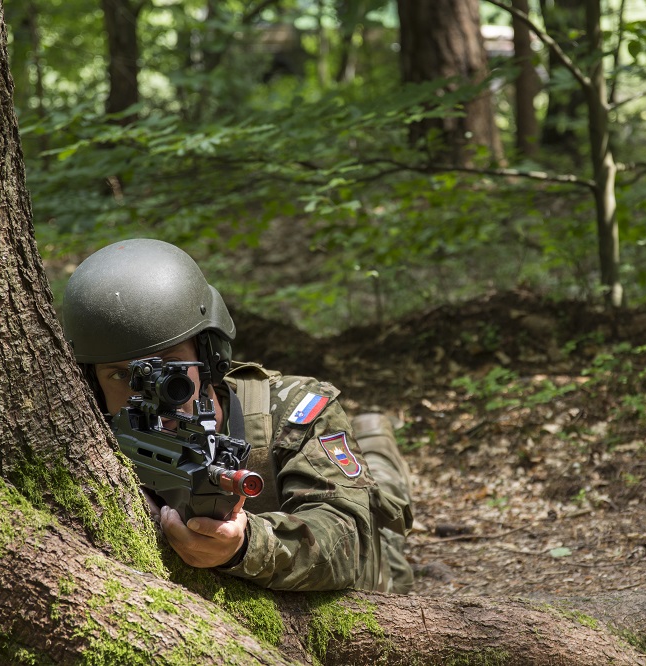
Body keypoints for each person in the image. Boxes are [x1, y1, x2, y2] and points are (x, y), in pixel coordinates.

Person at [60, 238, 414, 593]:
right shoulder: (89, 437)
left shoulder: (292, 411)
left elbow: (350, 539)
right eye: (120, 375)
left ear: (209, 354)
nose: (144, 391)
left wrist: (246, 546)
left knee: (383, 506)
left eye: (170, 366)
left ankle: (376, 437)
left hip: (363, 582)